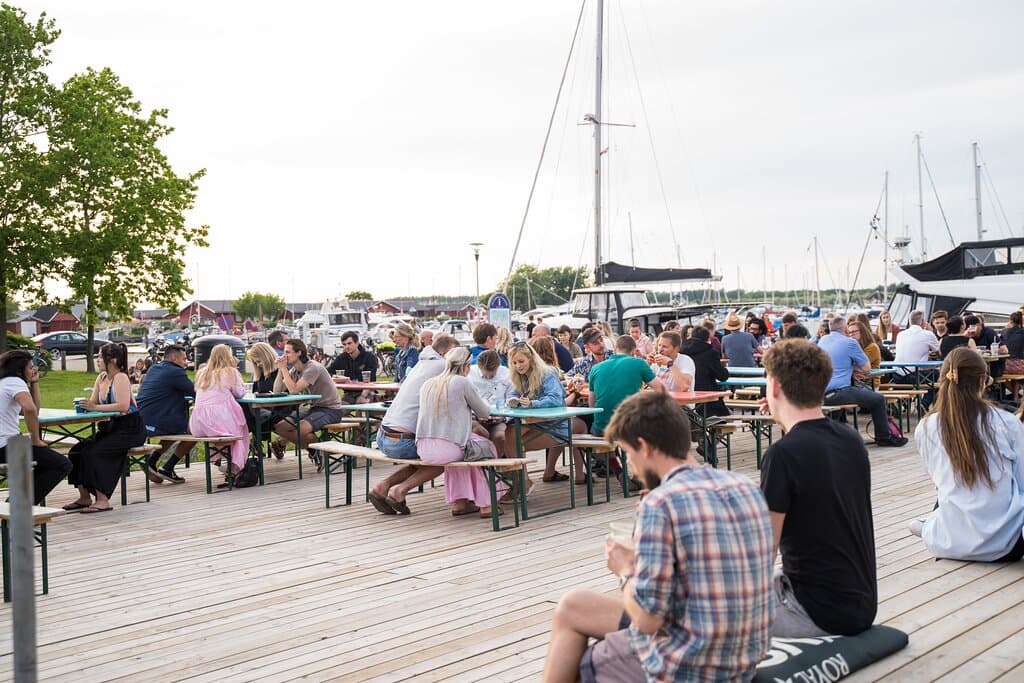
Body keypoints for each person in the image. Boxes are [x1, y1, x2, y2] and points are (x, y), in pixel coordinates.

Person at [542, 391, 773, 682]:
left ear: (644, 447)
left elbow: (648, 620)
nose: (633, 467)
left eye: (628, 453)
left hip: (691, 666)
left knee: (591, 657)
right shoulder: (745, 487)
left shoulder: (661, 504)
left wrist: (626, 569)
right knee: (573, 604)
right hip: (743, 654)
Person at [760, 339, 878, 636]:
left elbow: (763, 553)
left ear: (774, 387)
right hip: (860, 603)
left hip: (815, 612)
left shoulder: (782, 455)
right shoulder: (850, 440)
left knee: (703, 607)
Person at [910, 347, 1024, 562]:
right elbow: (1022, 480)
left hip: (949, 543)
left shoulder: (926, 427)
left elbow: (937, 478)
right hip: (1006, 544)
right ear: (983, 382)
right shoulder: (1006, 423)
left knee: (949, 489)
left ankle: (931, 526)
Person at [370, 334, 464, 515]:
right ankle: (400, 491)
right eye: (455, 354)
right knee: (443, 457)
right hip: (401, 440)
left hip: (383, 435)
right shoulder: (442, 368)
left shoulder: (422, 363)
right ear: (445, 353)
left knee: (429, 452)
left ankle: (383, 486)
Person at [416, 347, 504, 518]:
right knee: (485, 449)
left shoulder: (428, 383)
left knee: (465, 449)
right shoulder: (462, 382)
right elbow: (484, 413)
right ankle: (487, 505)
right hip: (448, 447)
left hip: (424, 447)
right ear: (466, 366)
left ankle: (459, 502)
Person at [64, 343, 147, 513]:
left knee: (94, 452)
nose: (97, 360)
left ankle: (103, 500)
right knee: (76, 451)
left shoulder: (121, 377)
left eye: (101, 357)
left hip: (130, 428)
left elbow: (123, 406)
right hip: (112, 427)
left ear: (113, 360)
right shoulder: (101, 378)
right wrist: (86, 405)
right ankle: (84, 497)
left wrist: (95, 408)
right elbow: (93, 401)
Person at [505, 341, 587, 484]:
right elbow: (512, 392)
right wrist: (511, 398)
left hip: (554, 425)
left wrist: (533, 404)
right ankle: (523, 481)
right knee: (510, 433)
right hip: (537, 423)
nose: (518, 366)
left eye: (521, 361)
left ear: (530, 358)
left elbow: (555, 399)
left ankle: (521, 483)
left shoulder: (546, 373)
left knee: (512, 438)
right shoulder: (520, 376)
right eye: (514, 363)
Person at [819, 316, 908, 447]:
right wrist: (851, 368)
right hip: (840, 392)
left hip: (822, 394)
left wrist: (847, 367)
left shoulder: (822, 341)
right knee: (878, 399)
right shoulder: (850, 342)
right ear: (845, 328)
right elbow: (866, 368)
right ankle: (884, 437)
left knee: (838, 405)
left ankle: (831, 438)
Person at [0, 350, 72, 505]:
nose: (33, 370)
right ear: (19, 370)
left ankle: (16, 503)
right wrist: (35, 439)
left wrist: (34, 383)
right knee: (61, 464)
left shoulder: (4, 383)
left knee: (46, 463)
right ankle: (16, 506)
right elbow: (30, 409)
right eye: (30, 367)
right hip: (6, 447)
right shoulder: (15, 381)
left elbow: (34, 408)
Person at [271, 338, 345, 457]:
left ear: (299, 352)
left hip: (330, 409)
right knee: (280, 427)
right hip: (314, 408)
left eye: (288, 352)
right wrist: (281, 369)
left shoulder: (312, 367)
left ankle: (319, 452)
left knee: (300, 430)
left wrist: (284, 368)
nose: (285, 356)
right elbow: (277, 390)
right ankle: (317, 451)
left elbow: (294, 389)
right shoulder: (295, 370)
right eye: (284, 352)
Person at [189, 344, 250, 486]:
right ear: (228, 357)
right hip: (217, 418)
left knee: (231, 427)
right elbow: (240, 392)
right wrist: (235, 369)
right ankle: (234, 467)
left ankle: (219, 458)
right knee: (240, 431)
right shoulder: (230, 371)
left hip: (198, 423)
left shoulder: (202, 372)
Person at [136, 344, 195, 483]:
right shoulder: (176, 372)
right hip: (158, 421)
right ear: (174, 358)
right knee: (194, 431)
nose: (186, 362)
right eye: (184, 359)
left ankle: (152, 461)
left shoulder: (154, 368)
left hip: (141, 420)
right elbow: (194, 391)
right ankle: (168, 467)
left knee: (175, 428)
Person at [588, 336, 663, 436]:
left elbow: (591, 403)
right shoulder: (639, 363)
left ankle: (611, 452)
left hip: (601, 429)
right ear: (633, 351)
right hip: (629, 428)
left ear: (615, 349)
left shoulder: (595, 368)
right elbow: (661, 389)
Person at [469, 349, 512, 463]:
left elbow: (512, 400)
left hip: (499, 417)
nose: (488, 377)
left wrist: (504, 417)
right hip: (476, 417)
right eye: (485, 374)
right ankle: (484, 467)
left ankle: (496, 466)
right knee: (478, 431)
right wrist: (475, 416)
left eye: (492, 374)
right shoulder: (469, 375)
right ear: (478, 367)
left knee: (500, 436)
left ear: (498, 366)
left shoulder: (507, 374)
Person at [680, 327, 730, 417]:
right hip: (707, 398)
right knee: (723, 415)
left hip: (685, 396)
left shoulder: (681, 351)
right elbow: (723, 376)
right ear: (707, 339)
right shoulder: (710, 353)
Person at [327, 331, 379, 404]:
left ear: (357, 343)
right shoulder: (341, 358)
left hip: (367, 392)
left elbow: (371, 380)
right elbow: (327, 373)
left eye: (349, 343)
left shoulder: (369, 357)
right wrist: (340, 378)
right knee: (339, 410)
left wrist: (363, 396)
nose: (347, 347)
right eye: (344, 344)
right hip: (349, 394)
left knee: (361, 403)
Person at [1002, 311, 1024, 376]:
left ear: (1011, 321)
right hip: (1020, 366)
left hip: (1004, 367)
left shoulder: (1004, 331)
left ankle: (1014, 386)